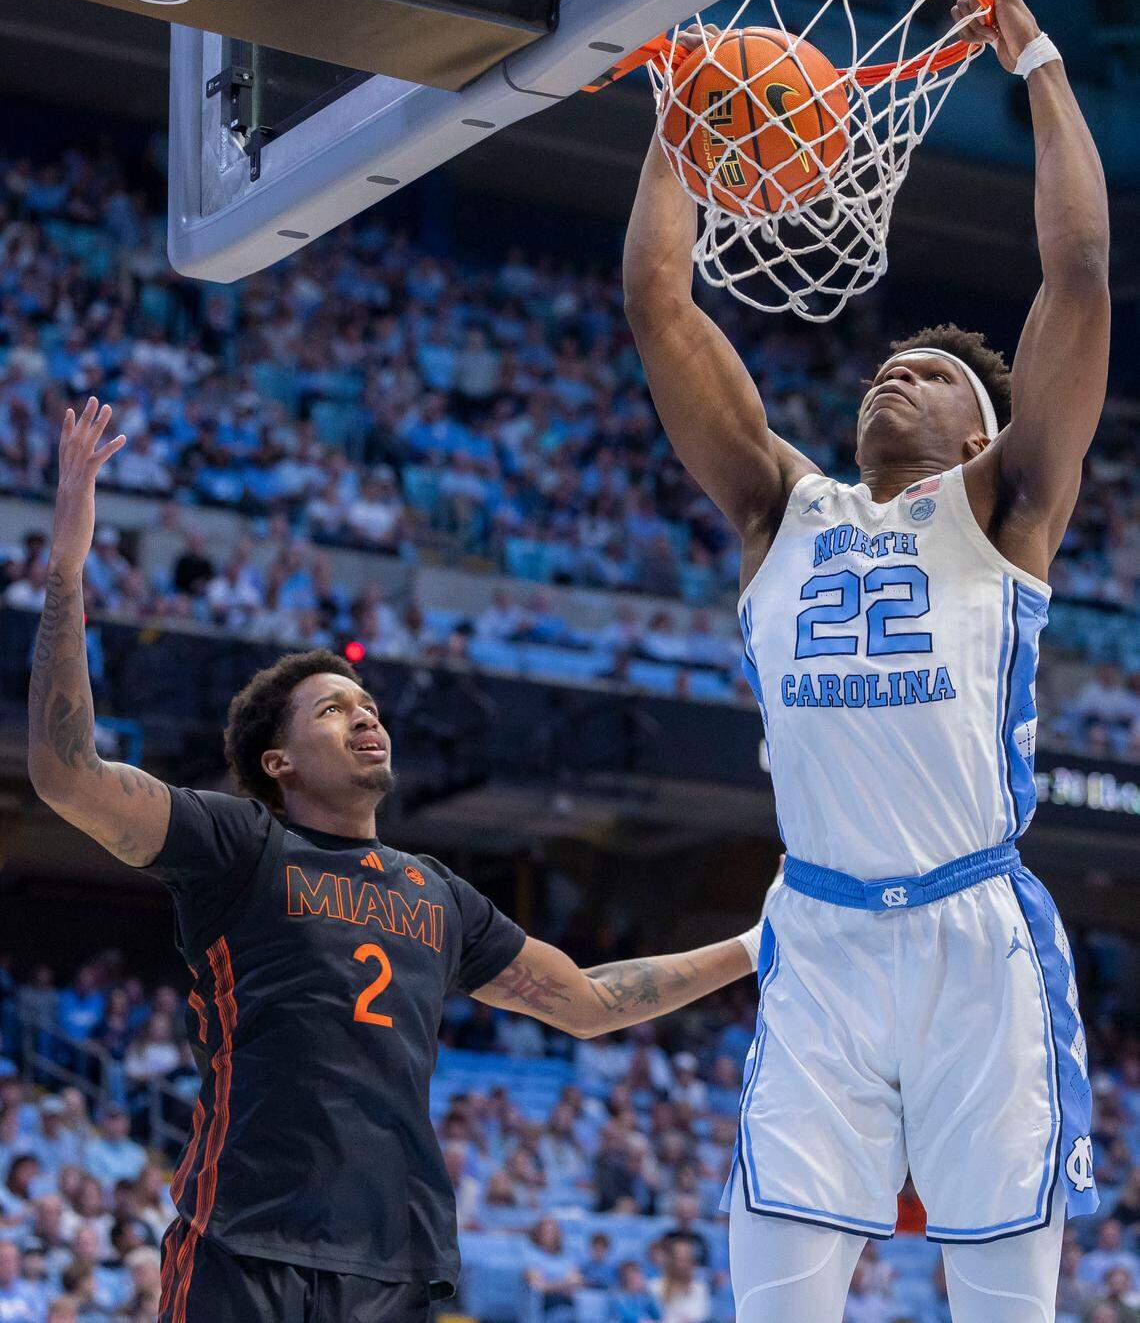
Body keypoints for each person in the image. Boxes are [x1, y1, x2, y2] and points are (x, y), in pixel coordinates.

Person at [27, 394, 767, 1322]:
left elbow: (584, 1001)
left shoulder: (439, 894)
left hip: (400, 1258)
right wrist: (68, 568)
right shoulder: (243, 844)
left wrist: (752, 944)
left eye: (368, 700)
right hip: (248, 1241)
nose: (365, 712)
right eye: (334, 706)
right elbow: (66, 773)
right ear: (279, 761)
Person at [623, 0, 1109, 1323]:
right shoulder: (783, 506)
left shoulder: (1006, 510)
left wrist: (1044, 66)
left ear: (980, 431)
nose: (898, 372)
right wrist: (683, 112)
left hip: (974, 933)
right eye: (889, 363)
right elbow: (662, 304)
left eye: (936, 374)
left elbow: (1076, 274)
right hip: (822, 930)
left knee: (1005, 1306)